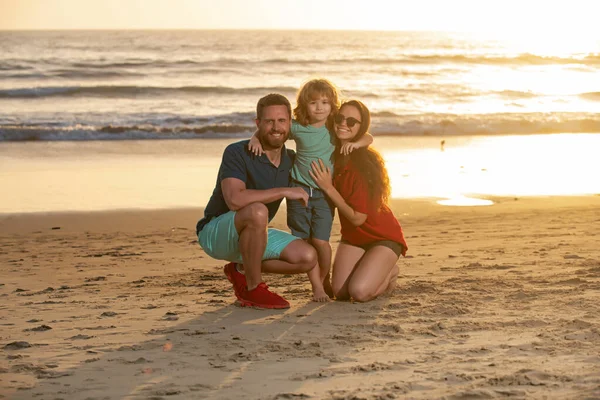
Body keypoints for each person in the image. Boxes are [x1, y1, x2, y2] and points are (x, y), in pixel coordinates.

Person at [248, 79, 373, 302]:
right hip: (299, 191)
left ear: (332, 105)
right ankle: (316, 286)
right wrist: (254, 138)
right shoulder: (298, 127)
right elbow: (274, 130)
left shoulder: (334, 127)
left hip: (325, 195)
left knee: (322, 242)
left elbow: (368, 136)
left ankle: (325, 278)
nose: (319, 107)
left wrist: (356, 144)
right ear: (304, 105)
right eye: (314, 102)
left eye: (325, 102)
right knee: (305, 241)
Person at [196, 93, 318, 309]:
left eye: (281, 121)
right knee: (257, 211)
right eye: (269, 121)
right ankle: (253, 288)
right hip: (217, 232)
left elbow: (320, 140)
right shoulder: (237, 152)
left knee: (307, 257)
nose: (276, 127)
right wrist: (283, 191)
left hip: (254, 234)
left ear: (290, 124)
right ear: (258, 123)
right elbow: (235, 200)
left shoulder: (291, 159)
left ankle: (240, 269)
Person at [309, 99, 408, 302]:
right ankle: (372, 268)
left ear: (360, 127)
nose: (344, 123)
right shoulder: (332, 149)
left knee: (359, 292)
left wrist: (328, 188)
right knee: (341, 292)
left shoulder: (363, 166)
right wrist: (257, 138)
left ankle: (389, 272)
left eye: (352, 121)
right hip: (354, 237)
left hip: (382, 236)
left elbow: (357, 219)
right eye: (340, 118)